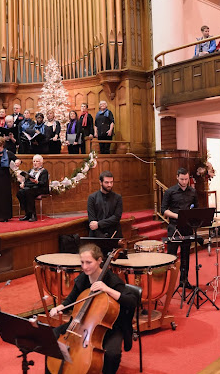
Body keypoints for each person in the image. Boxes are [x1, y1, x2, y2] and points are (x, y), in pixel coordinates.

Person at [48, 244, 137, 374]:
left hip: (110, 327)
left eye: (89, 262)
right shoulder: (83, 278)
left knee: (112, 354)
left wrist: (107, 289)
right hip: (81, 323)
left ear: (100, 260)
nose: (84, 267)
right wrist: (59, 307)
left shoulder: (112, 280)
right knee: (52, 336)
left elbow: (132, 301)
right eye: (82, 262)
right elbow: (71, 299)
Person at [162, 167, 198, 288]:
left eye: (186, 179)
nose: (184, 182)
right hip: (174, 227)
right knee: (171, 256)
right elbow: (164, 210)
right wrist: (177, 216)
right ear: (177, 177)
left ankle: (184, 281)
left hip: (187, 227)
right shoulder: (170, 192)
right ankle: (168, 284)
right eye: (182, 179)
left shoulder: (192, 192)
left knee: (185, 256)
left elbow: (196, 209)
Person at [0, 136, 20, 222]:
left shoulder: (8, 153)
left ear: (1, 145)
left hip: (5, 178)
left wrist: (17, 161)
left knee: (4, 196)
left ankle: (5, 216)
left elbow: (17, 159)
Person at [87, 171, 123, 238]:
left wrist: (99, 224)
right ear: (100, 182)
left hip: (114, 234)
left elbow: (116, 217)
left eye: (111, 182)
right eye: (106, 182)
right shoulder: (92, 198)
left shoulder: (118, 197)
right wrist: (102, 238)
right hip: (97, 235)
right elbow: (92, 221)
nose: (109, 185)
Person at [16, 154, 48, 221]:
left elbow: (43, 183)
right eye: (34, 161)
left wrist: (37, 182)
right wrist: (23, 184)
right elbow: (27, 181)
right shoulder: (30, 171)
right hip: (31, 187)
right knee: (20, 192)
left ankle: (33, 214)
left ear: (41, 163)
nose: (35, 163)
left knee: (28, 192)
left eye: (37, 161)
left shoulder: (44, 171)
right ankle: (27, 213)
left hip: (40, 188)